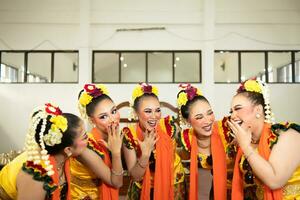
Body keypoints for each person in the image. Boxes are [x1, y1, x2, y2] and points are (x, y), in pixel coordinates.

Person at [228, 78, 300, 200]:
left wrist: (246, 147)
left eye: (238, 108)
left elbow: (275, 181)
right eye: (231, 111)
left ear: (258, 110)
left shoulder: (288, 135)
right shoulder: (246, 141)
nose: (233, 116)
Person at [0, 103, 88, 200]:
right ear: (68, 149)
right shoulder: (36, 176)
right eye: (85, 137)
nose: (89, 140)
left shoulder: (62, 157)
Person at [122, 83, 185, 200]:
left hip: (172, 183)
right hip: (143, 186)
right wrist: (145, 154)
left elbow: (182, 151)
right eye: (148, 111)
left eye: (157, 110)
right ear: (136, 113)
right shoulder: (129, 135)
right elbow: (135, 176)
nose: (154, 116)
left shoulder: (169, 127)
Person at [177, 84, 236, 200]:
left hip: (240, 189)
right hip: (216, 191)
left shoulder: (227, 130)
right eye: (199, 117)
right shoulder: (188, 139)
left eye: (209, 113)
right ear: (188, 121)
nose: (208, 120)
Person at [70, 83, 124, 200]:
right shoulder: (85, 146)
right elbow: (117, 182)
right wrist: (116, 153)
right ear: (91, 120)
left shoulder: (115, 137)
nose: (112, 119)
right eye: (103, 116)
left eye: (114, 111)